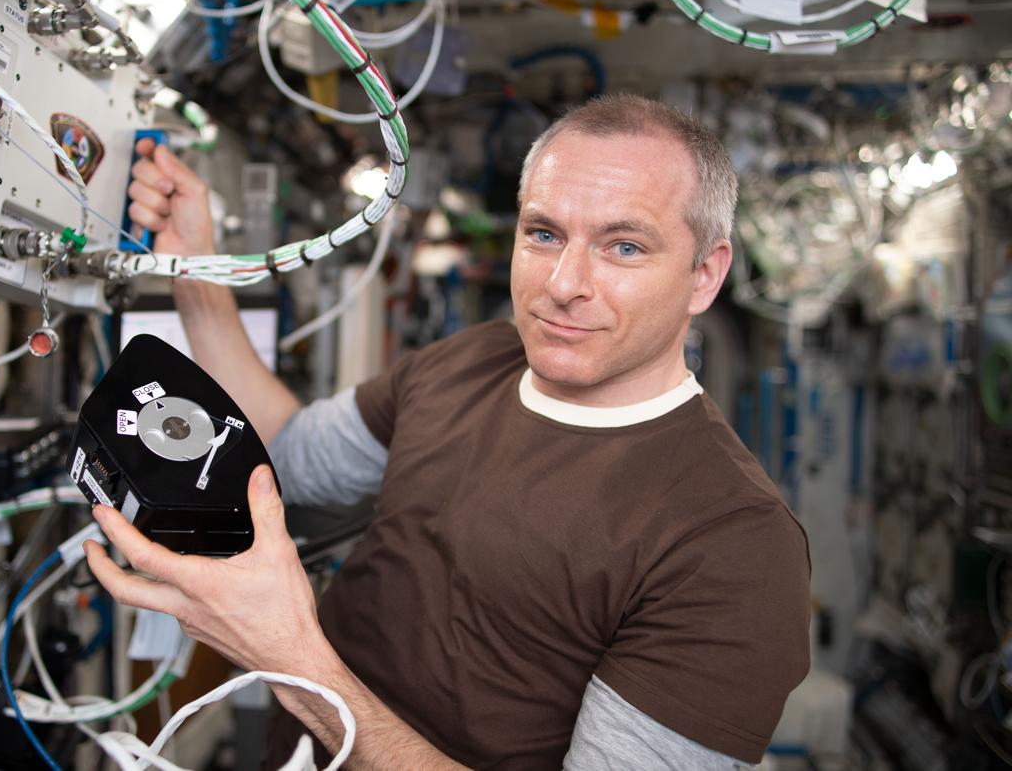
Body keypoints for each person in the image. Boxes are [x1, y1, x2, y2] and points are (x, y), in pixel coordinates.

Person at [84, 94, 811, 770]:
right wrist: (196, 267)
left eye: (624, 247)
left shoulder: (733, 543)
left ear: (704, 275)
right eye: (544, 233)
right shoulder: (474, 360)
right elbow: (291, 455)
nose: (564, 283)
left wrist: (294, 661)